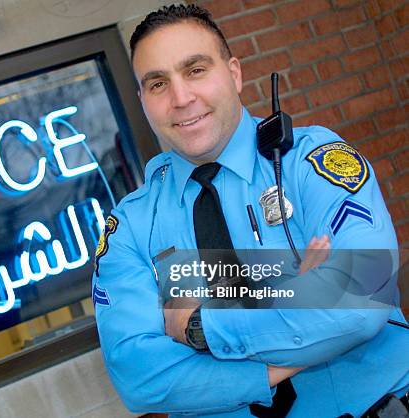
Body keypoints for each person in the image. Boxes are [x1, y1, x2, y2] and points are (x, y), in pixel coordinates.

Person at [92, 4, 409, 417]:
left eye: (195, 70)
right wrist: (301, 307)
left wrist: (200, 327)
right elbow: (141, 378)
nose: (181, 98)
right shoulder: (131, 227)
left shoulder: (308, 162)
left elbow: (361, 297)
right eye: (157, 83)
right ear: (142, 101)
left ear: (234, 73)